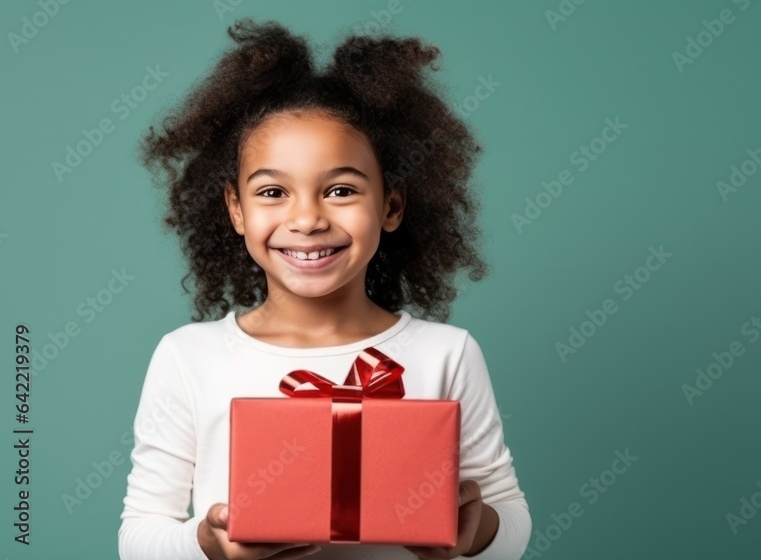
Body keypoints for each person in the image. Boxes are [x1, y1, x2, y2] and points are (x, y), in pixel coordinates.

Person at [118, 17, 530, 560]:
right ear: (235, 209)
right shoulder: (187, 357)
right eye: (272, 192)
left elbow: (512, 520)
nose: (307, 219)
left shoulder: (448, 354)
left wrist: (472, 534)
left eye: (339, 189)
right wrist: (209, 545)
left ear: (391, 205)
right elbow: (139, 537)